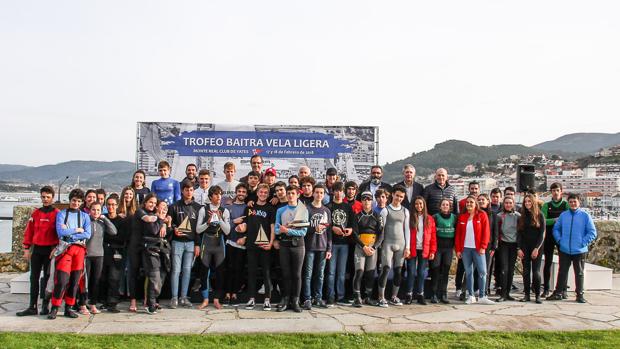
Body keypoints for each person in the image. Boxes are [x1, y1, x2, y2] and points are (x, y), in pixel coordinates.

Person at [48, 189, 92, 320]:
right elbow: (60, 232)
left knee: (75, 281)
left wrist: (69, 232)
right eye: (74, 200)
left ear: (82, 202)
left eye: (79, 201)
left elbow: (87, 234)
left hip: (79, 250)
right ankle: (54, 307)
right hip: (65, 250)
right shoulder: (62, 214)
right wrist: (77, 230)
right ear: (70, 200)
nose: (76, 203)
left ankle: (69, 307)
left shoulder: (84, 216)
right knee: (61, 280)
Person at [17, 186, 59, 317]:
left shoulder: (57, 213)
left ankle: (45, 305)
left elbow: (60, 233)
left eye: (48, 197)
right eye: (43, 197)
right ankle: (32, 306)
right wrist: (26, 249)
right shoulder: (36, 213)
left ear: (52, 198)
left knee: (48, 279)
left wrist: (56, 249)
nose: (45, 199)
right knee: (33, 278)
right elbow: (29, 232)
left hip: (50, 251)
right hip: (37, 250)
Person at [547, 194, 597, 303]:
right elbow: (556, 229)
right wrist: (560, 240)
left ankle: (579, 294)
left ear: (579, 202)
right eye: (571, 202)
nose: (573, 204)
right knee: (562, 271)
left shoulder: (585, 216)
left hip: (579, 250)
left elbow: (592, 232)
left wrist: (583, 243)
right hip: (565, 249)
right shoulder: (563, 215)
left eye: (575, 201)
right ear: (568, 203)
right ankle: (558, 292)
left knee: (579, 272)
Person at [167, 180, 203, 309]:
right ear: (182, 191)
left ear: (193, 191)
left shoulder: (198, 208)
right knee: (176, 271)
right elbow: (169, 224)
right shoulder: (174, 206)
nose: (189, 192)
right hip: (177, 243)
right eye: (186, 190)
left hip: (191, 243)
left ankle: (184, 297)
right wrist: (175, 229)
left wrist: (197, 244)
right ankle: (174, 298)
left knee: (187, 271)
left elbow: (199, 230)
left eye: (191, 190)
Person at [196, 185, 231, 310]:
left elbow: (227, 231)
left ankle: (216, 299)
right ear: (210, 197)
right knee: (204, 271)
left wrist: (220, 219)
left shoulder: (224, 210)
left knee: (220, 271)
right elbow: (198, 229)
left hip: (219, 243)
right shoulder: (203, 210)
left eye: (220, 194)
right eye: (216, 194)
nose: (219, 197)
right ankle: (205, 299)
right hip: (206, 241)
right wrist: (208, 222)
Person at [241, 183, 276, 311]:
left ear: (268, 194)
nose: (263, 194)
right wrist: (241, 230)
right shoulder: (249, 207)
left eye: (265, 193)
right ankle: (251, 298)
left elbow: (272, 227)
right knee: (252, 273)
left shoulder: (271, 208)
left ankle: (267, 299)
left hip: (265, 246)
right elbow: (245, 225)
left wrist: (271, 243)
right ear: (257, 193)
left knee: (266, 273)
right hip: (251, 245)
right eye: (261, 192)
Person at [455, 195, 494, 305]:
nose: (469, 204)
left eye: (471, 202)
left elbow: (486, 232)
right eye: (467, 202)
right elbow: (458, 235)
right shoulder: (462, 217)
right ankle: (471, 295)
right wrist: (458, 250)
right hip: (465, 249)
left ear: (475, 203)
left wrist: (483, 246)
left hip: (478, 249)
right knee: (469, 273)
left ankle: (482, 296)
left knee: (482, 272)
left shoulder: (482, 215)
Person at [79, 202, 117, 315]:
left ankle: (93, 304)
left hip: (99, 255)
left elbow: (114, 231)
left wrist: (104, 218)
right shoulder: (86, 221)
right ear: (89, 210)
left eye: (98, 210)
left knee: (96, 281)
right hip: (86, 255)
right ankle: (82, 304)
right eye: (94, 210)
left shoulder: (102, 222)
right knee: (85, 281)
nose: (96, 212)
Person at [275, 185, 308, 312]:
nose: (290, 195)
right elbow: (277, 230)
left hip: (298, 245)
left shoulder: (303, 210)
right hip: (284, 245)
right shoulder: (281, 210)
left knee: (297, 274)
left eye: (293, 193)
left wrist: (287, 230)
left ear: (298, 195)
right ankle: (285, 299)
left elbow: (303, 232)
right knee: (286, 274)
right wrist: (283, 230)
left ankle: (295, 300)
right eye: (288, 193)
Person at [377, 185, 410, 307]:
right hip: (388, 244)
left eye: (401, 197)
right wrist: (379, 245)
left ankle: (394, 297)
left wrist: (407, 247)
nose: (399, 198)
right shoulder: (385, 210)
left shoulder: (405, 211)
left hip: (401, 245)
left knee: (398, 271)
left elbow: (407, 230)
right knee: (385, 269)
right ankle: (381, 297)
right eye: (397, 196)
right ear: (392, 195)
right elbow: (381, 230)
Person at [302, 184, 332, 310]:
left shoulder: (327, 211)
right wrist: (314, 228)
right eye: (317, 192)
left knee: (320, 274)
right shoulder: (307, 209)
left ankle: (318, 298)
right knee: (308, 274)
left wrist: (329, 248)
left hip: (322, 246)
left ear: (324, 195)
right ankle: (307, 298)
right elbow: (302, 228)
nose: (319, 195)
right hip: (309, 246)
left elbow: (329, 232)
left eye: (321, 193)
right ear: (313, 193)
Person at [351, 191, 383, 307]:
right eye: (364, 199)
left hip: (372, 248)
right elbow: (354, 234)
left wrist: (374, 247)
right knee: (359, 271)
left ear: (372, 201)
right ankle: (357, 298)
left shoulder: (377, 215)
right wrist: (363, 246)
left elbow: (381, 234)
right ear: (361, 201)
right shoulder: (357, 216)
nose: (366, 201)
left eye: (369, 199)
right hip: (360, 247)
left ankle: (368, 297)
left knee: (370, 273)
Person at [326, 182, 355, 306]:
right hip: (331, 243)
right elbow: (325, 225)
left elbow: (353, 224)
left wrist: (350, 230)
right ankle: (330, 296)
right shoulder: (328, 206)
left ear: (343, 193)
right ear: (333, 192)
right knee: (331, 272)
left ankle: (341, 296)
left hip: (344, 244)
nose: (338, 193)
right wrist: (332, 228)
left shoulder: (347, 207)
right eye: (336, 191)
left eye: (340, 191)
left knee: (342, 272)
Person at [141, 199, 171, 314]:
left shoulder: (166, 219)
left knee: (161, 278)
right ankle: (150, 304)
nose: (164, 209)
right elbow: (153, 231)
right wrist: (161, 220)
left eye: (166, 207)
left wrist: (167, 225)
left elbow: (168, 236)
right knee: (154, 278)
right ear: (157, 207)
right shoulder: (151, 217)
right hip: (151, 250)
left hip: (163, 251)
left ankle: (153, 301)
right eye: (162, 206)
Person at [404, 196, 436, 305]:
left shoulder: (429, 219)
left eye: (421, 204)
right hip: (412, 249)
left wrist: (432, 251)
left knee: (422, 273)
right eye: (417, 204)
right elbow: (406, 234)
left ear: (424, 205)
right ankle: (409, 294)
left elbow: (433, 237)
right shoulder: (409, 218)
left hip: (424, 249)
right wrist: (406, 248)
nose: (419, 206)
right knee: (411, 272)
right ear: (414, 205)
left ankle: (420, 294)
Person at [103, 195, 131, 313]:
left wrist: (111, 238)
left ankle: (113, 303)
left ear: (117, 205)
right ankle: (104, 302)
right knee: (103, 277)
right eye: (108, 204)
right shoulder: (102, 218)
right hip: (103, 251)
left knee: (114, 278)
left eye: (113, 204)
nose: (111, 207)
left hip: (117, 252)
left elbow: (121, 237)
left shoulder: (122, 221)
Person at [541, 182, 568, 298]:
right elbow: (543, 221)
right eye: (553, 190)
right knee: (547, 263)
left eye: (557, 190)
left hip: (562, 238)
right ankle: (546, 289)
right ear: (551, 192)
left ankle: (562, 289)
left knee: (564, 264)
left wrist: (557, 220)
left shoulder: (566, 205)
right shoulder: (546, 205)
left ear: (561, 191)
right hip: (549, 238)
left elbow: (567, 219)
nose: (555, 193)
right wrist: (555, 220)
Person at [517, 194, 546, 304]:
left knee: (536, 271)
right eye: (526, 202)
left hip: (536, 247)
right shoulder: (522, 217)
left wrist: (537, 248)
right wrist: (519, 248)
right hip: (524, 246)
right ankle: (527, 294)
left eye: (529, 201)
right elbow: (519, 234)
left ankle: (537, 295)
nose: (527, 203)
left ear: (533, 202)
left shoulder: (540, 215)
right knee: (526, 271)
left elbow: (542, 234)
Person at [223, 183, 248, 306]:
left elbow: (251, 225)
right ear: (236, 192)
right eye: (240, 191)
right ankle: (227, 293)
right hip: (230, 242)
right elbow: (224, 225)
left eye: (244, 192)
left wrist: (245, 237)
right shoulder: (229, 207)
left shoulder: (248, 208)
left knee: (239, 269)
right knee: (229, 269)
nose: (241, 194)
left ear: (246, 194)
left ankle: (235, 294)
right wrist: (234, 221)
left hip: (242, 244)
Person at [431, 198, 456, 304]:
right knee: (435, 271)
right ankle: (434, 294)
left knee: (445, 272)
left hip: (449, 248)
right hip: (437, 248)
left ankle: (444, 294)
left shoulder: (454, 217)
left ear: (450, 207)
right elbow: (431, 234)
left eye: (447, 205)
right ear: (440, 206)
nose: (445, 206)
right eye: (443, 204)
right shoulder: (435, 217)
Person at [496, 197, 521, 302]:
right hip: (503, 245)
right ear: (503, 204)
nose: (508, 205)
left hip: (514, 245)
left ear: (513, 204)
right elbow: (496, 231)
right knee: (504, 269)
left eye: (510, 203)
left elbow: (520, 232)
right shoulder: (499, 216)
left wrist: (519, 247)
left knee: (511, 270)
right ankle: (503, 293)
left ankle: (508, 293)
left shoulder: (518, 216)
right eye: (506, 203)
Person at [478, 194, 499, 298]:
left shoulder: (493, 214)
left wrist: (494, 246)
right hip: (476, 245)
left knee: (486, 269)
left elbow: (495, 232)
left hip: (488, 246)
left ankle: (485, 290)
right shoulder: (475, 213)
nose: (481, 201)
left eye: (483, 200)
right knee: (474, 269)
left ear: (488, 201)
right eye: (479, 200)